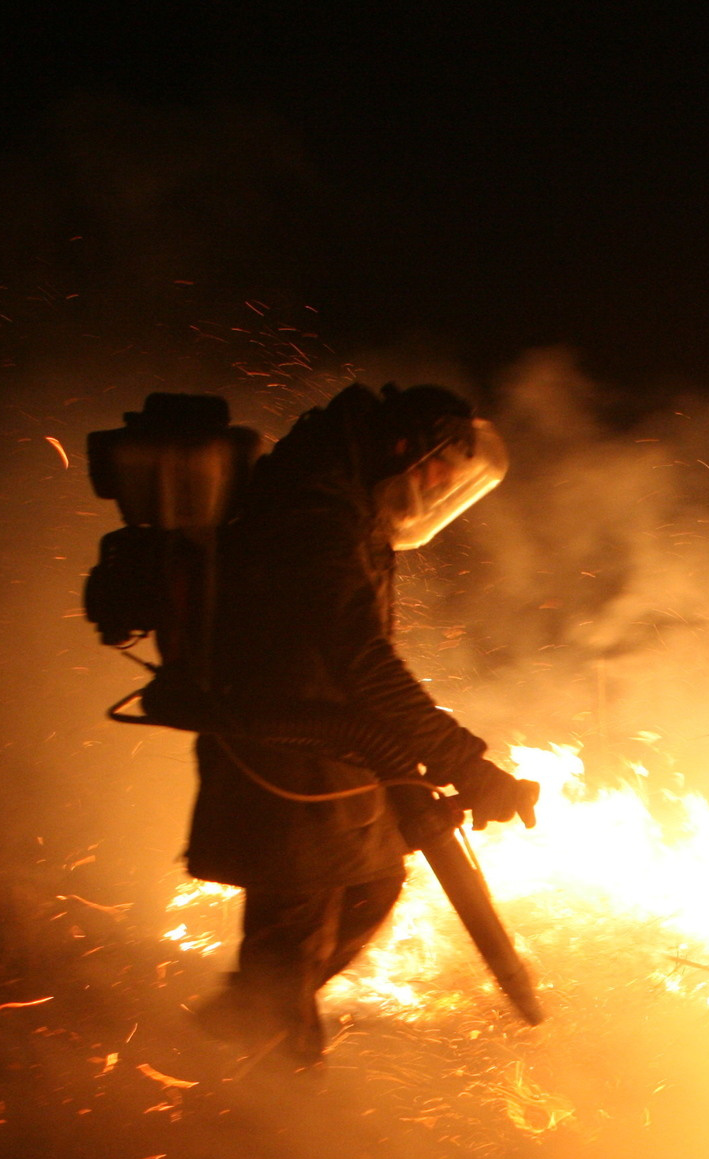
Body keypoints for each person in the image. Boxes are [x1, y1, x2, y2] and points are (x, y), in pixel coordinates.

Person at [186, 382, 536, 1066]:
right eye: (437, 472)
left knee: (373, 881)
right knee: (296, 922)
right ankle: (274, 1087)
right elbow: (360, 657)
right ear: (404, 447)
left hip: (325, 735)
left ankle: (241, 1021)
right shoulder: (314, 512)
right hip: (283, 740)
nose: (436, 490)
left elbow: (356, 657)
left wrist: (435, 755)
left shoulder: (347, 495)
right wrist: (463, 763)